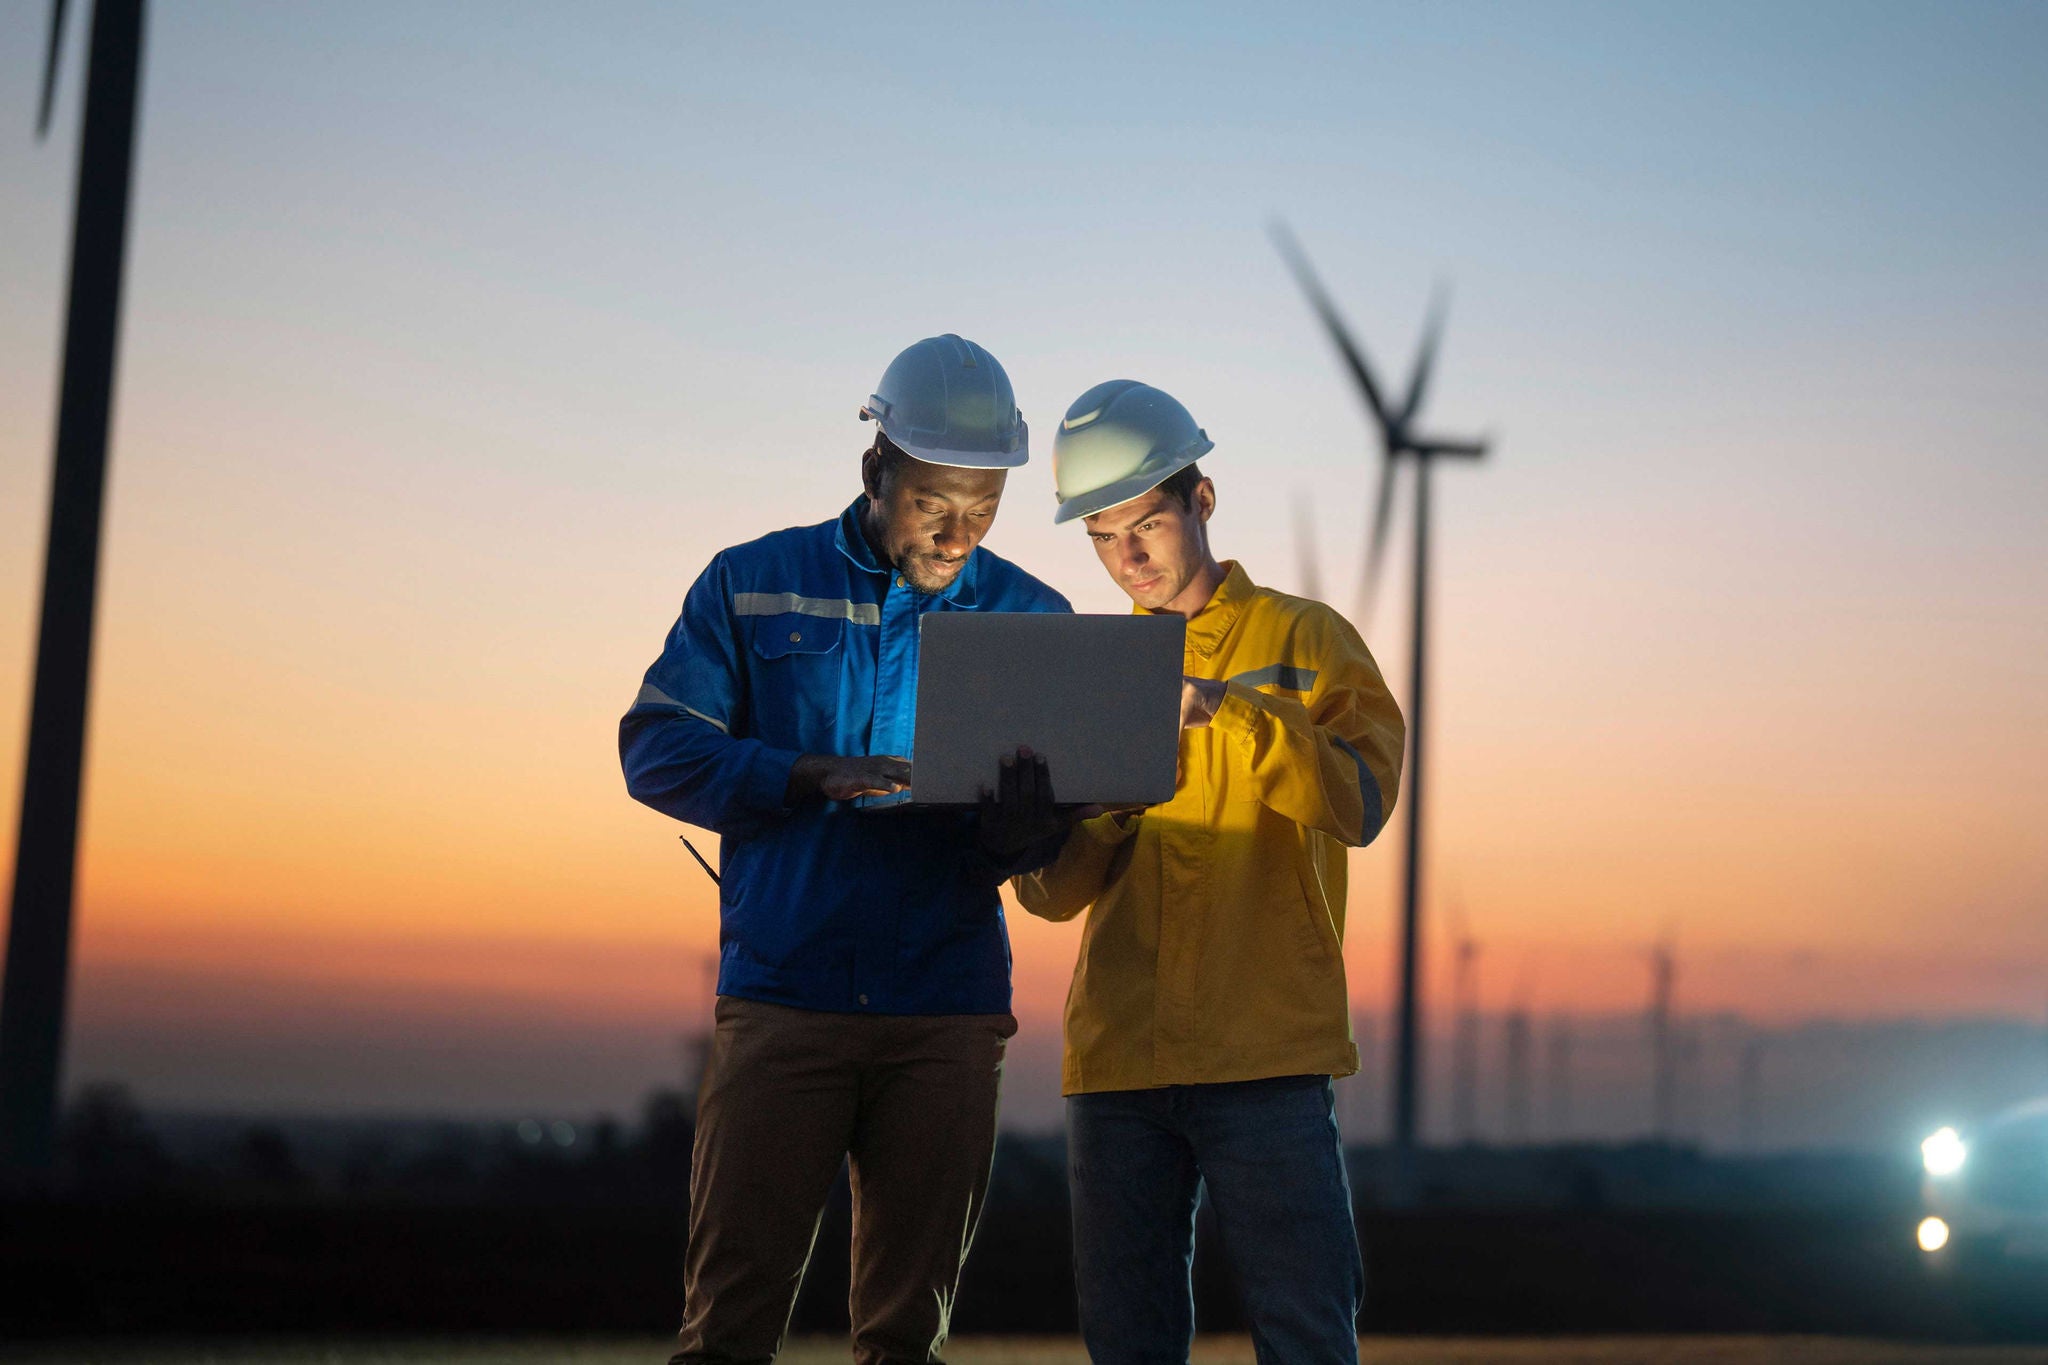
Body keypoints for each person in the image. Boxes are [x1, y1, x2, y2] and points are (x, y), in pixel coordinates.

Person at [620, 335, 1074, 1365]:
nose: (959, 533)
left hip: (945, 1012)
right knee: (728, 1323)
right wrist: (796, 772)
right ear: (875, 468)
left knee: (906, 1337)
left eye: (984, 507)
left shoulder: (1032, 620)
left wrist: (1028, 827)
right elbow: (653, 749)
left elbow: (1047, 848)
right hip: (785, 998)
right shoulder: (750, 585)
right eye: (932, 503)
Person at [1014, 380, 1406, 1364]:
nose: (1128, 558)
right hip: (1116, 1066)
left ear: (1202, 500)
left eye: (1145, 522)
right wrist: (1103, 802)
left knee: (1304, 1334)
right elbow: (1048, 894)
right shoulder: (1083, 672)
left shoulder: (1306, 640)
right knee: (1127, 1344)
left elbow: (1359, 806)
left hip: (1264, 1056)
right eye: (1102, 536)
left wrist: (1225, 710)